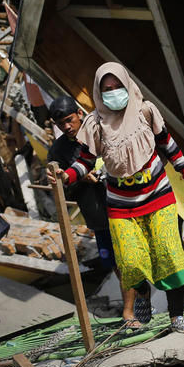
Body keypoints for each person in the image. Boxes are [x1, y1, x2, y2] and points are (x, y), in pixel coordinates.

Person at [47, 62, 184, 333]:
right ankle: (142, 294)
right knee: (129, 261)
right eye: (107, 89)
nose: (114, 92)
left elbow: (168, 143)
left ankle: (177, 316)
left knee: (169, 255)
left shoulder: (145, 111)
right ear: (98, 92)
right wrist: (66, 176)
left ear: (127, 85)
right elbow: (85, 160)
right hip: (121, 204)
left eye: (118, 87)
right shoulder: (95, 125)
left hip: (158, 194)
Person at [46, 95, 116, 273]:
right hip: (98, 218)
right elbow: (60, 189)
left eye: (69, 120)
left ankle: (140, 300)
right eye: (61, 124)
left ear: (79, 113)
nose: (67, 127)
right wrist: (78, 180)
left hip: (122, 208)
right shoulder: (57, 151)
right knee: (116, 266)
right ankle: (135, 301)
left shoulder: (102, 131)